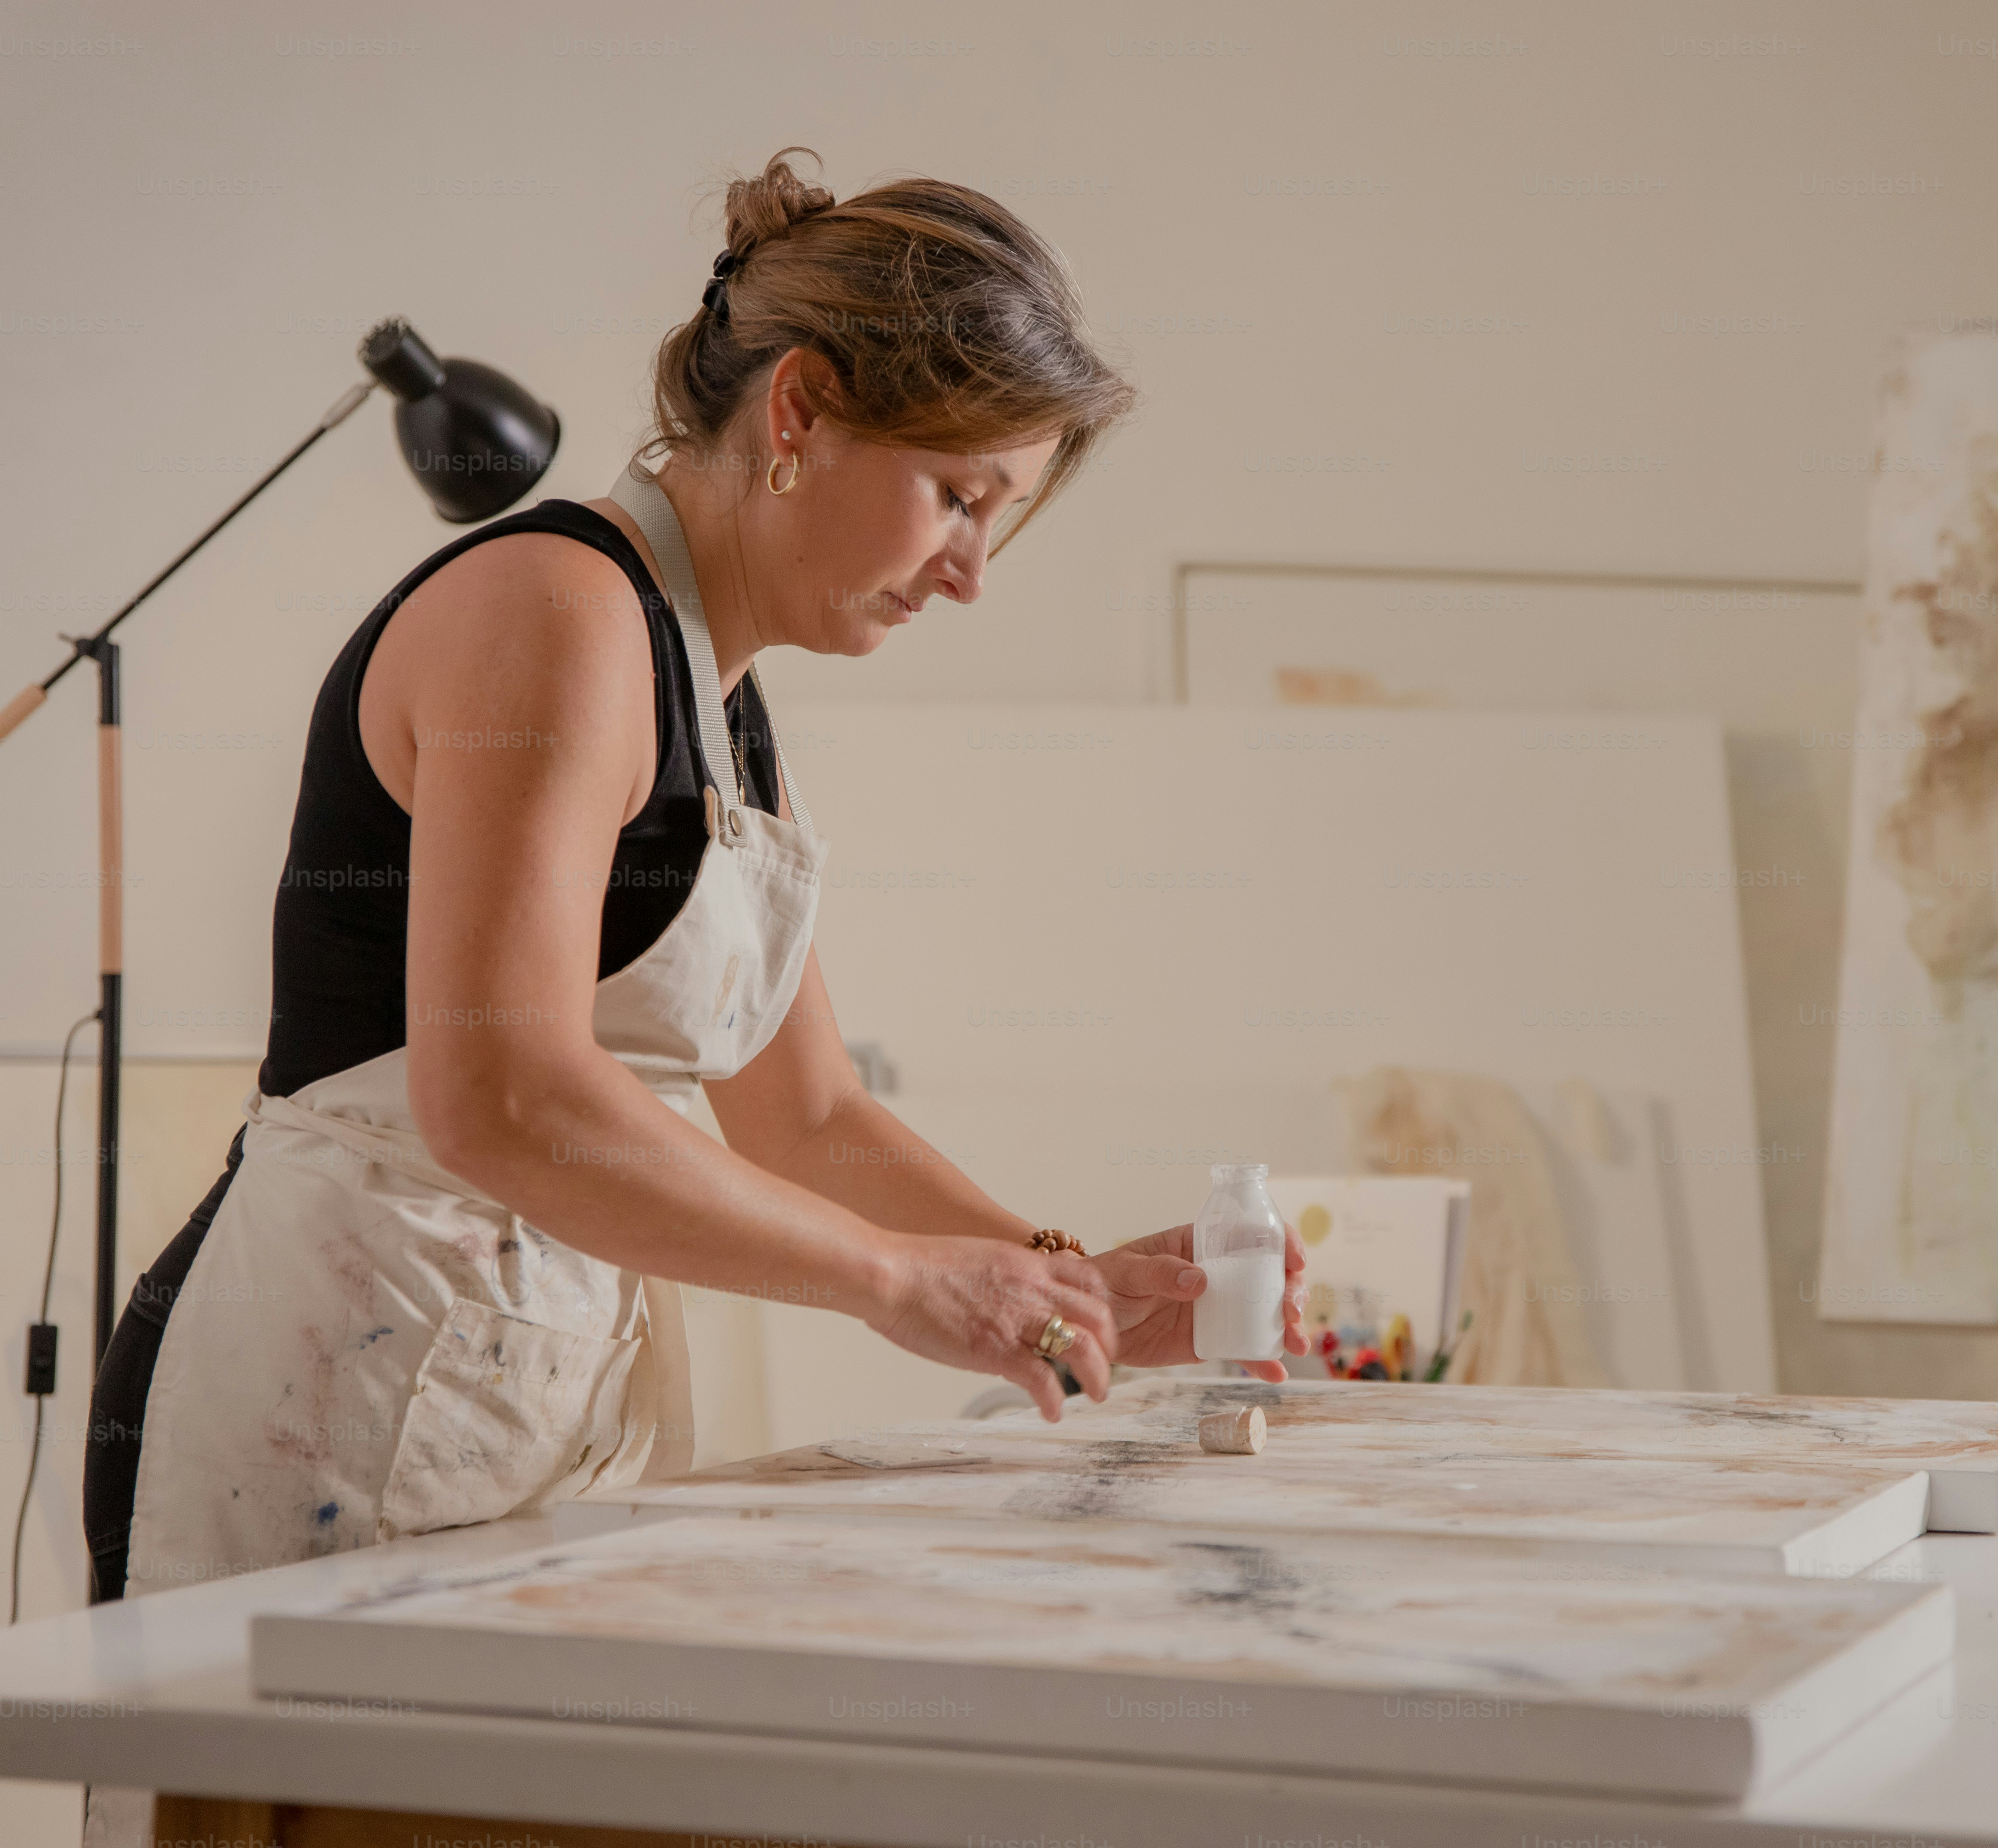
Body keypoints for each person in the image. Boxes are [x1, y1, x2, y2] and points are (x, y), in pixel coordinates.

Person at [81, 147, 1308, 1606]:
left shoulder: (718, 697)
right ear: (797, 410)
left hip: (503, 1393)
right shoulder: (553, 612)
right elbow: (503, 1092)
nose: (971, 569)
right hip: (331, 1395)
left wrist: (1063, 1285)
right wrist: (900, 1284)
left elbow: (808, 1115)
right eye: (956, 497)